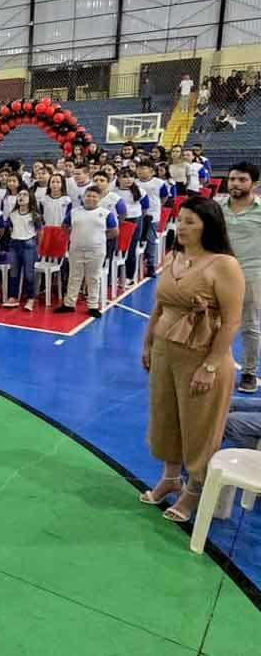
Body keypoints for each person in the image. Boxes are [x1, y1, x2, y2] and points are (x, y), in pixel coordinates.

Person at [140, 196, 244, 522]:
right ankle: (170, 478)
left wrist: (210, 365)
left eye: (190, 222)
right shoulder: (174, 257)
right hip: (164, 351)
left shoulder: (223, 264)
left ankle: (194, 490)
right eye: (180, 220)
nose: (181, 227)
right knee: (165, 416)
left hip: (201, 357)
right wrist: (147, 344)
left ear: (207, 226)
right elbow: (159, 306)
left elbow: (231, 321)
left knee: (199, 426)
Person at [216, 162, 261, 393]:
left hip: (251, 273)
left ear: (254, 183)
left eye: (242, 180)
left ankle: (249, 372)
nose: (235, 183)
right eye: (232, 179)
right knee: (210, 321)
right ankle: (212, 366)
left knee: (250, 325)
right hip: (218, 272)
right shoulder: (217, 206)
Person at [55, 186, 118, 318]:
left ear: (99, 198)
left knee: (93, 278)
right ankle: (69, 304)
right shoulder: (74, 212)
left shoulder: (106, 214)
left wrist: (99, 238)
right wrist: (75, 236)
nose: (91, 198)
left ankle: (93, 306)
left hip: (96, 251)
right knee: (74, 277)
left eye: (94, 196)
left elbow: (114, 231)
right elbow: (65, 226)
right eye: (88, 195)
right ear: (84, 197)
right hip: (76, 249)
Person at [4, 190, 42, 311]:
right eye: (19, 195)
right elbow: (10, 228)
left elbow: (40, 232)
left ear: (30, 198)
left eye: (25, 195)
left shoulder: (34, 215)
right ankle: (13, 297)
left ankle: (30, 298)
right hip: (15, 245)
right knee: (13, 272)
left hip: (29, 245)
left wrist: (39, 247)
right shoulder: (13, 214)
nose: (21, 197)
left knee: (29, 273)